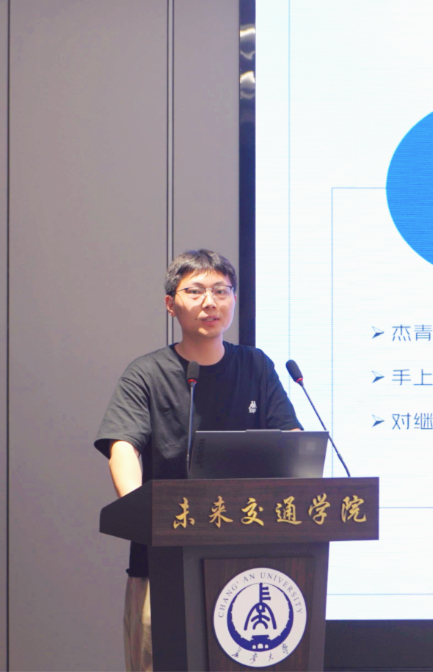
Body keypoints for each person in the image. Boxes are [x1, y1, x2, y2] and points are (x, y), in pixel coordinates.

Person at [93, 249, 301, 672]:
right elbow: (123, 446)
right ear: (171, 304)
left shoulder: (256, 366)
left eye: (222, 291)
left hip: (252, 558)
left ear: (234, 299)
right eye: (196, 291)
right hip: (163, 557)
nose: (210, 302)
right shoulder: (146, 373)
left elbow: (291, 441)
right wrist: (140, 510)